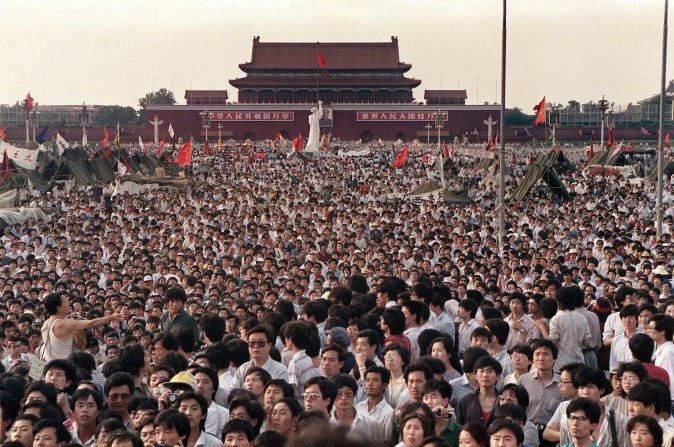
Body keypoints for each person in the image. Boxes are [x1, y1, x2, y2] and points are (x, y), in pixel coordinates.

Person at [38, 292, 122, 361]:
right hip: (63, 367)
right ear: (59, 307)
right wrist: (112, 317)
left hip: (49, 367)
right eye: (65, 302)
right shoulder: (64, 323)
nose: (69, 304)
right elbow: (91, 323)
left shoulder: (46, 323)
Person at [329, 374, 379, 441]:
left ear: (354, 395)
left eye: (348, 394)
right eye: (339, 394)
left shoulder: (369, 423)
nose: (344, 398)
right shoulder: (327, 423)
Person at [456, 356, 502, 426]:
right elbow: (460, 426)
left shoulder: (503, 401)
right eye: (482, 371)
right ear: (476, 376)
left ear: (497, 376)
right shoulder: (466, 400)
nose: (485, 375)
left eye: (490, 371)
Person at [355, 366, 394, 442]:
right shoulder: (359, 406)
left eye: (375, 381)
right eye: (367, 380)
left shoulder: (389, 413)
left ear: (384, 385)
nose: (370, 384)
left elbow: (388, 442)